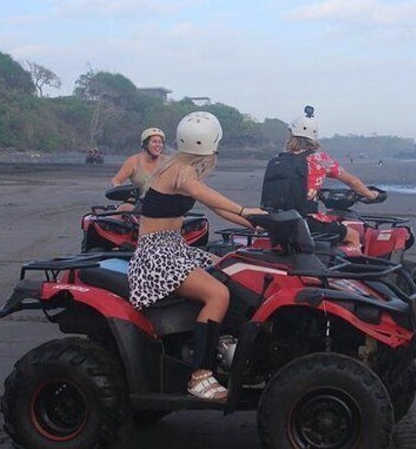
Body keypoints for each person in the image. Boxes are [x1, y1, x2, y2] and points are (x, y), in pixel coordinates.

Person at [128, 111, 264, 402]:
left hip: (173, 247)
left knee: (228, 267)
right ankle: (199, 375)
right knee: (218, 295)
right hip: (157, 255)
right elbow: (208, 197)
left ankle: (225, 345)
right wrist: (245, 211)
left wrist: (258, 221)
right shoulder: (182, 173)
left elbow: (218, 209)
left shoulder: (176, 165)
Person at [261, 106, 378, 254]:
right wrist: (370, 195)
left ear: (291, 135)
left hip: (278, 221)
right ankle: (352, 274)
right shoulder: (319, 159)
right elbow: (352, 181)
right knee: (353, 235)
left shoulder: (279, 160)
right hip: (305, 221)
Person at [111, 127, 166, 210]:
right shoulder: (134, 161)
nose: (158, 145)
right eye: (154, 142)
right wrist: (124, 193)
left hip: (165, 204)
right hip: (139, 205)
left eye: (160, 142)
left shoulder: (168, 162)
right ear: (145, 144)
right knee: (125, 208)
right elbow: (116, 181)